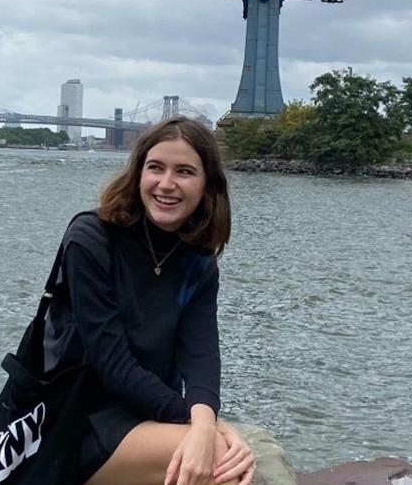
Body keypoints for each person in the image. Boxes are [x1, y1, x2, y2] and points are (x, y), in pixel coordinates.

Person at [43, 117, 255, 485]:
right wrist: (207, 428)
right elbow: (111, 363)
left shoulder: (198, 259)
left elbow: (201, 355)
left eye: (185, 171)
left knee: (217, 458)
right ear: (138, 172)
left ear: (207, 184)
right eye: (155, 168)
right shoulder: (91, 239)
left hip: (148, 415)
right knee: (222, 464)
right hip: (77, 416)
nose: (166, 184)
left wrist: (206, 422)